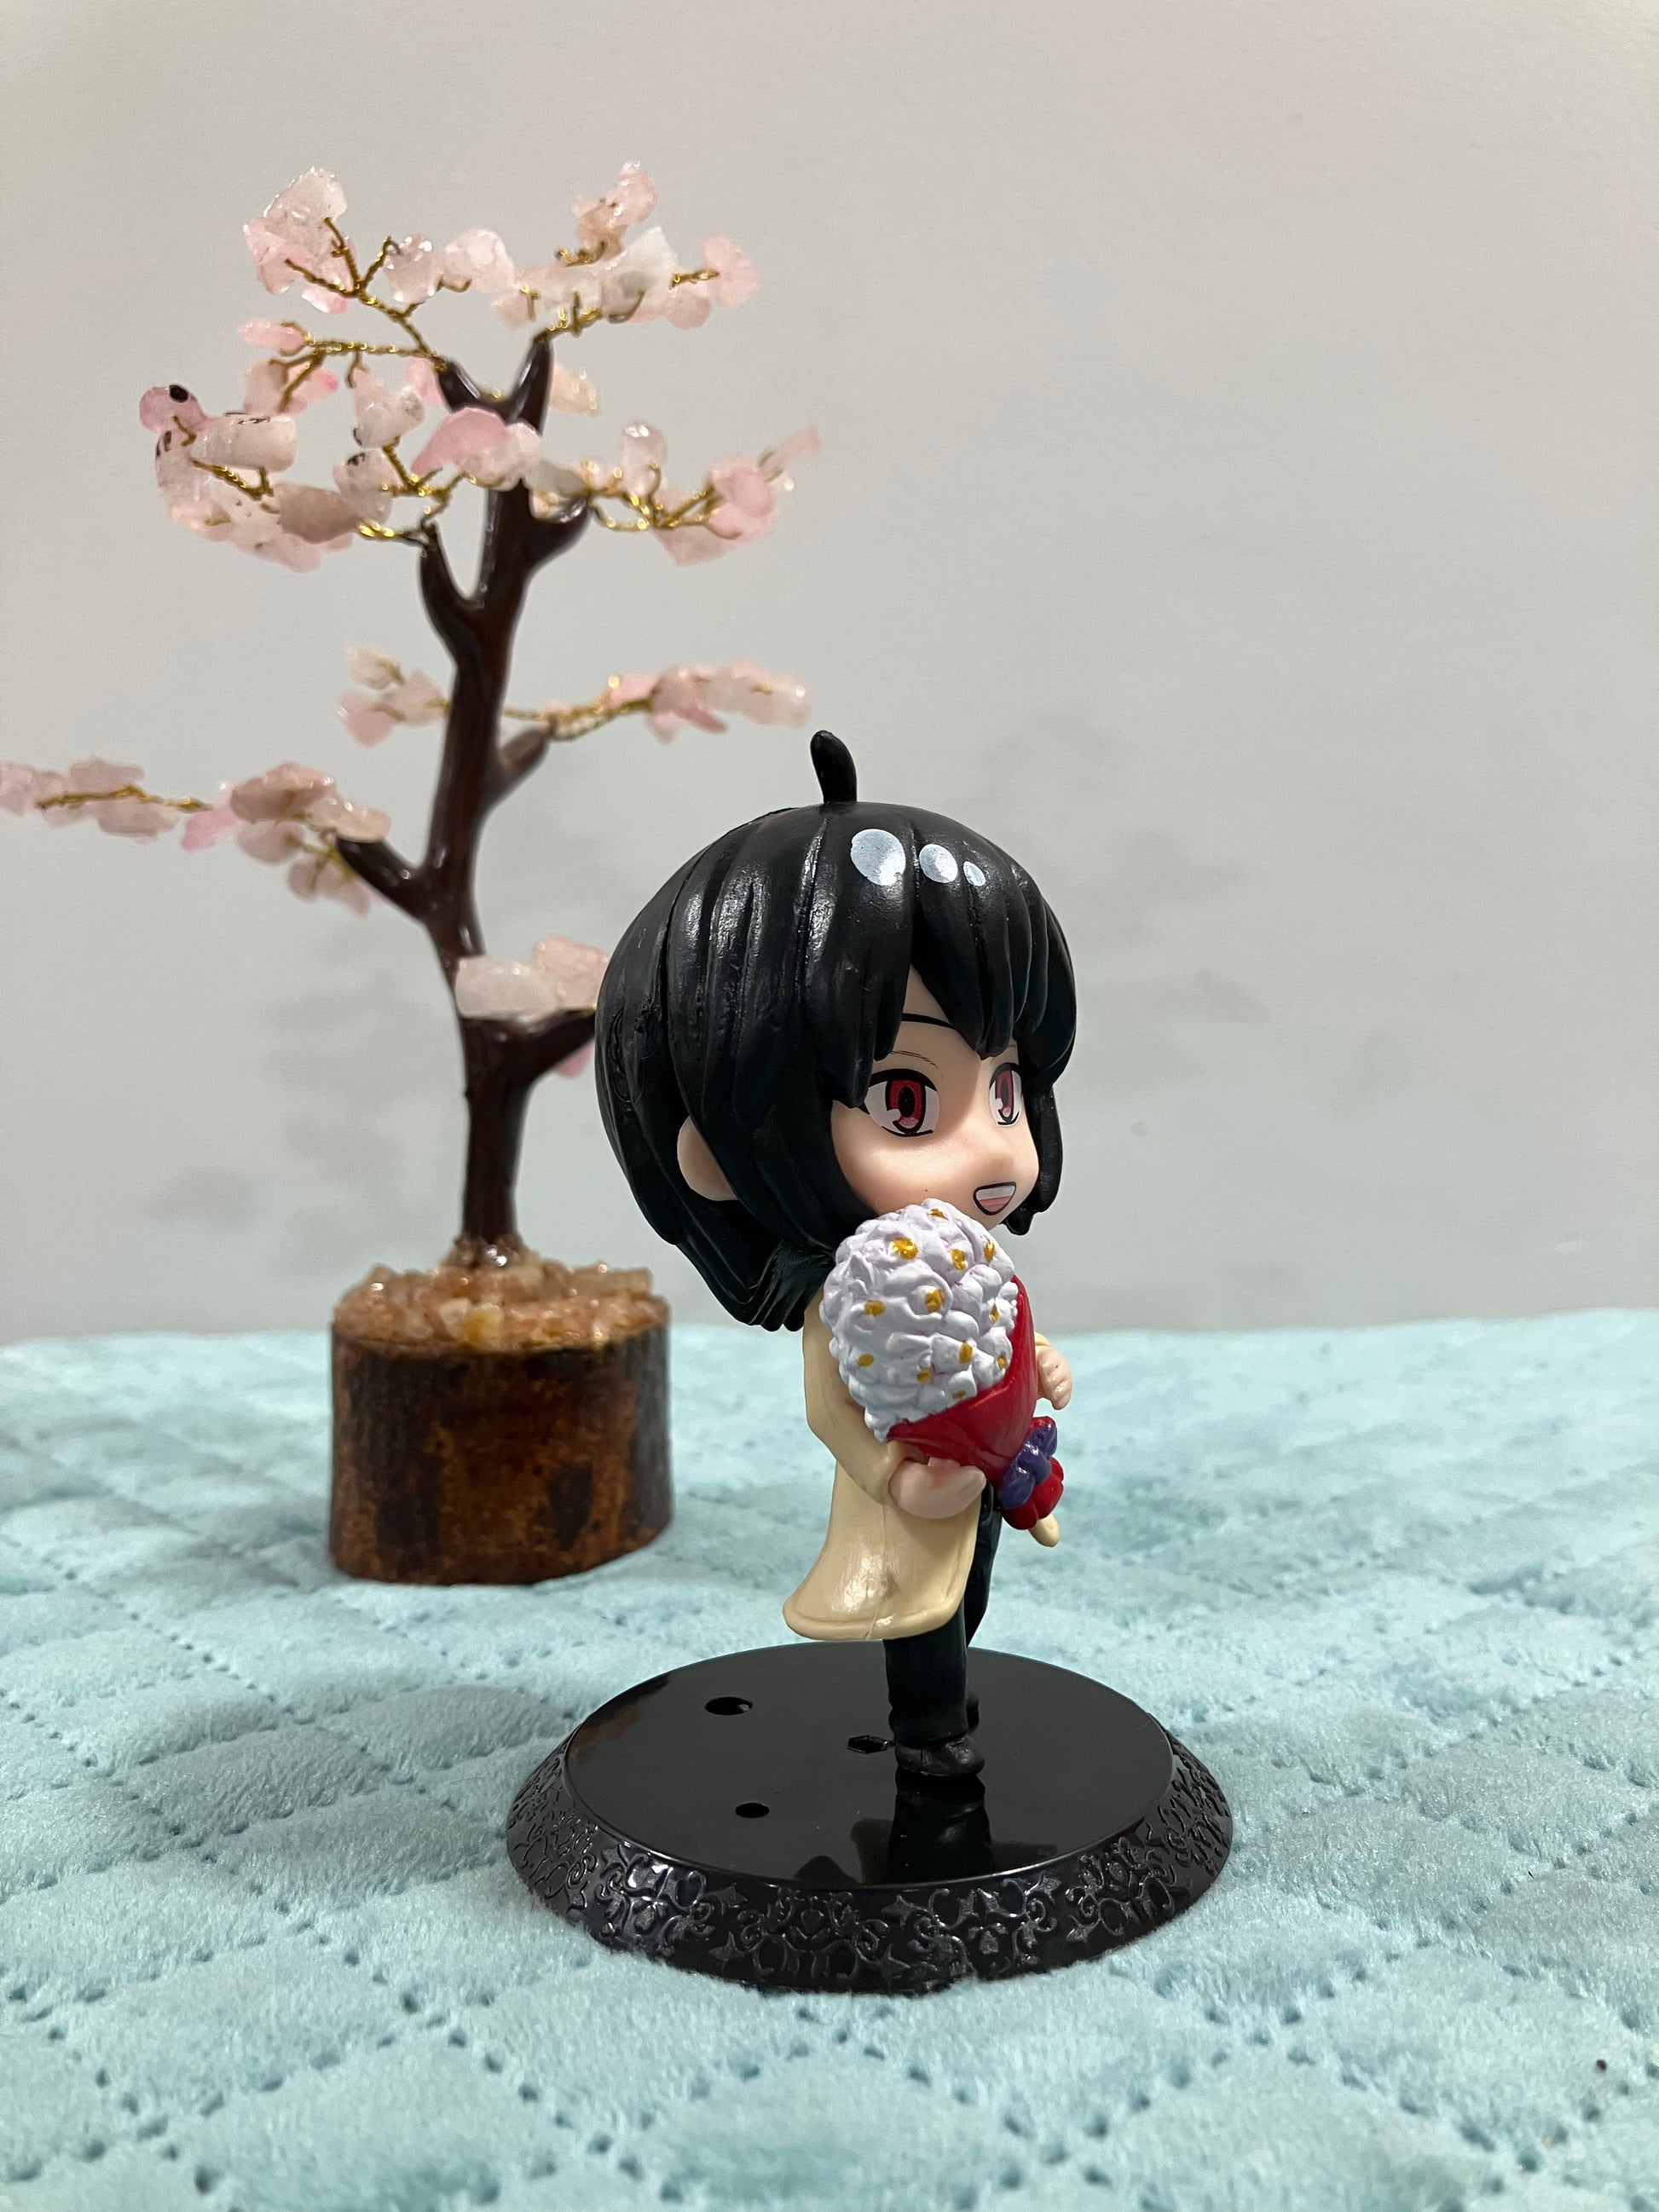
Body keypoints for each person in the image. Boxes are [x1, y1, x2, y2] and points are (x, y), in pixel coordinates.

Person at [595, 731, 1078, 1776]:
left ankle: (944, 1704)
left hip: (992, 1463)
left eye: (1003, 1090)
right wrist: (891, 1474)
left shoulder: (961, 1259)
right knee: (923, 1613)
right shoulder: (851, 1299)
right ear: (727, 1138)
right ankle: (929, 1738)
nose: (993, 1149)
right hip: (912, 1485)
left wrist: (1034, 1362)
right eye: (906, 1099)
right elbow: (830, 1407)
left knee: (970, 1591)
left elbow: (1002, 1322)